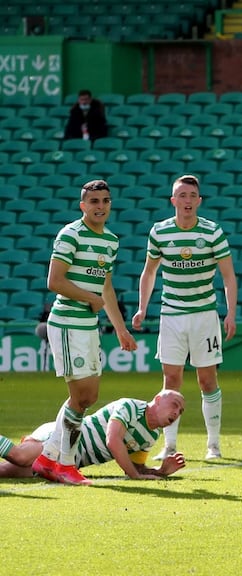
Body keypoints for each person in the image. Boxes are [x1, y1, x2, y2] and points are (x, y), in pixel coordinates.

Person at [32, 179, 138, 486]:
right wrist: (89, 298)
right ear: (83, 206)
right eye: (94, 201)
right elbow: (54, 281)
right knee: (81, 396)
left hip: (89, 326)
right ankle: (64, 463)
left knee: (88, 397)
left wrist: (120, 329)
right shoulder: (70, 234)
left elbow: (105, 287)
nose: (100, 206)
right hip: (66, 322)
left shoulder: (111, 241)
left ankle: (49, 457)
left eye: (105, 201)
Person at [132, 175, 238, 461]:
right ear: (173, 200)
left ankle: (213, 445)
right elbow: (149, 271)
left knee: (207, 380)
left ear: (199, 200)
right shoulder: (160, 232)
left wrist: (231, 312)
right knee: (171, 379)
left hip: (204, 315)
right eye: (182, 195)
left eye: (192, 195)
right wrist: (143, 307)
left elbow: (228, 275)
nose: (187, 200)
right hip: (172, 315)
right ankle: (169, 446)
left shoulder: (213, 232)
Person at [0, 391, 187, 480]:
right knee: (20, 456)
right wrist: (135, 477)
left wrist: (160, 471)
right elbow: (113, 441)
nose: (177, 413)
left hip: (68, 461)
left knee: (6, 472)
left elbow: (136, 468)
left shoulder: (152, 435)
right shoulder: (130, 406)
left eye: (181, 411)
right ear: (158, 400)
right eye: (174, 405)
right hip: (62, 437)